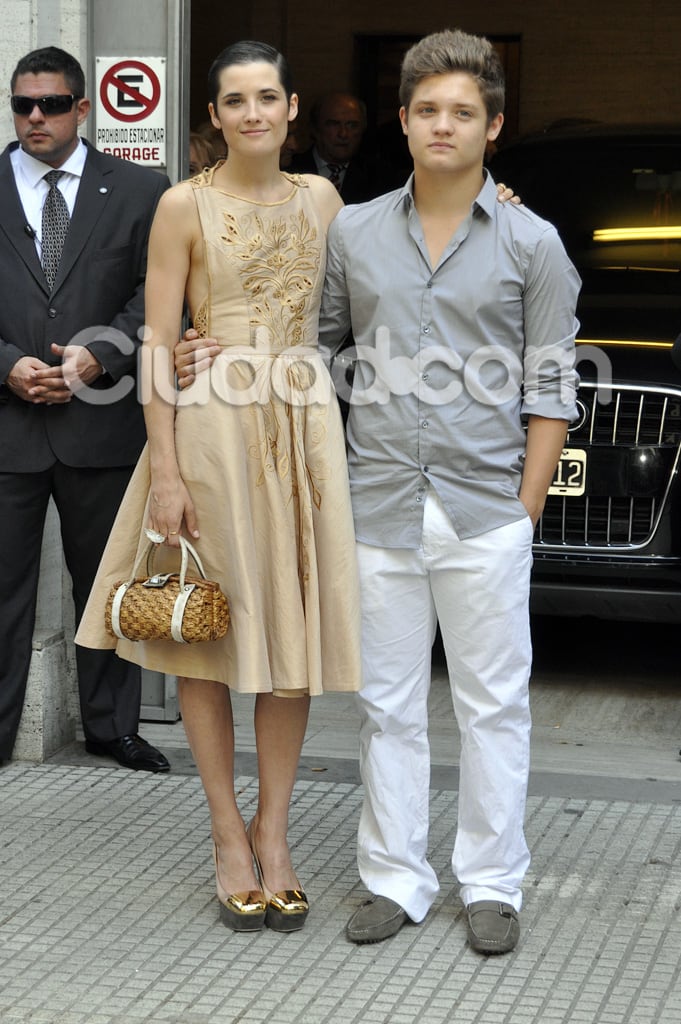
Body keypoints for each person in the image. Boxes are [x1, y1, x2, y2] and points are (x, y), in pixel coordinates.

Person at [76, 40, 362, 933]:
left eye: (267, 97)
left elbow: (384, 263)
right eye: (234, 99)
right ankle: (224, 833)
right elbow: (158, 346)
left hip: (303, 424)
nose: (251, 113)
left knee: (292, 636)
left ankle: (274, 833)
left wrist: (490, 198)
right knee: (205, 630)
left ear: (290, 106)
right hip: (212, 431)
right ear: (214, 114)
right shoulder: (180, 206)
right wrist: (164, 472)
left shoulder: (323, 198)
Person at [318, 28, 580, 954]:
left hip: (483, 510)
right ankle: (394, 878)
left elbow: (551, 384)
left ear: (492, 126)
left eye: (461, 111)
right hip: (379, 502)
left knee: (491, 705)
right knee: (385, 703)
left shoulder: (532, 243)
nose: (443, 123)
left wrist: (527, 505)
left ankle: (490, 883)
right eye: (426, 109)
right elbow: (319, 354)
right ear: (402, 119)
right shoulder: (350, 231)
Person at [0, 46, 170, 773]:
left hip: (102, 423)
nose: (35, 117)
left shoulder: (140, 189)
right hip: (7, 427)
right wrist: (7, 363)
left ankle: (111, 727)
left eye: (51, 104)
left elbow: (160, 296)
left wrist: (101, 353)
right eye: (22, 105)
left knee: (108, 587)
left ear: (82, 107)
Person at [291, 91, 394, 202]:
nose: (343, 134)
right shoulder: (289, 171)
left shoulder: (381, 176)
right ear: (315, 128)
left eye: (352, 125)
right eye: (334, 124)